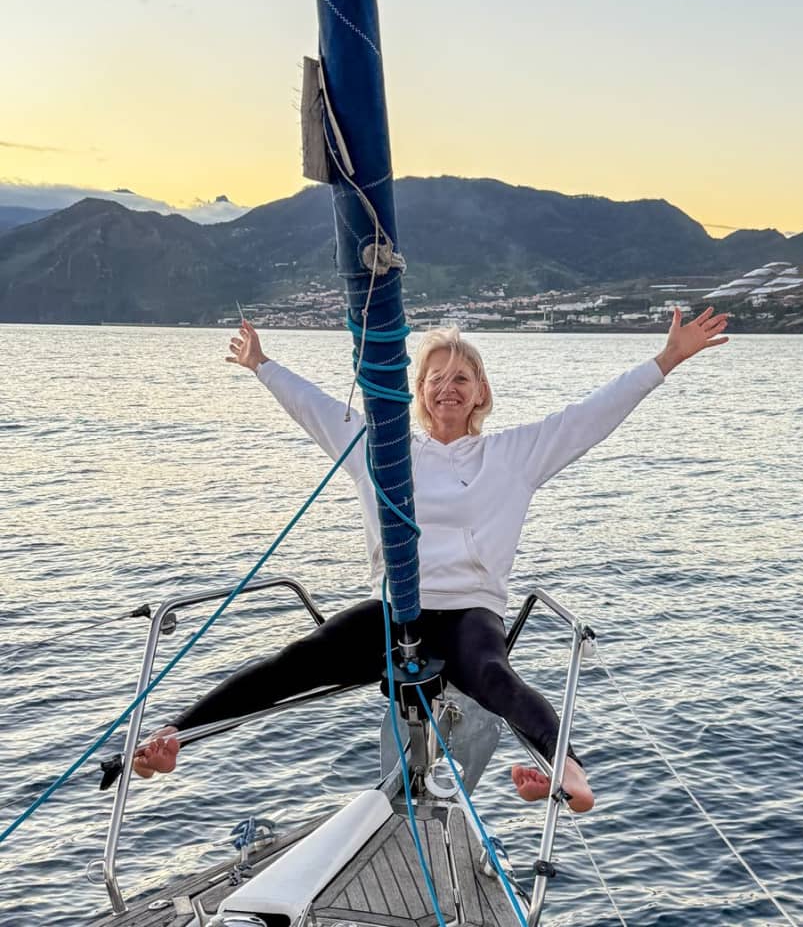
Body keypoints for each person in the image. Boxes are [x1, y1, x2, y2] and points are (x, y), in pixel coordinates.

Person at [134, 306, 729, 812]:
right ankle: (176, 736)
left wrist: (668, 358)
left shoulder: (513, 456)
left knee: (495, 678)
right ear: (418, 393)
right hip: (395, 611)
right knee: (296, 660)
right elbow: (314, 407)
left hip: (471, 611)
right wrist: (261, 364)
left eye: (463, 376)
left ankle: (570, 774)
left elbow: (591, 416)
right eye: (436, 377)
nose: (449, 385)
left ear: (482, 392)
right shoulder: (380, 448)